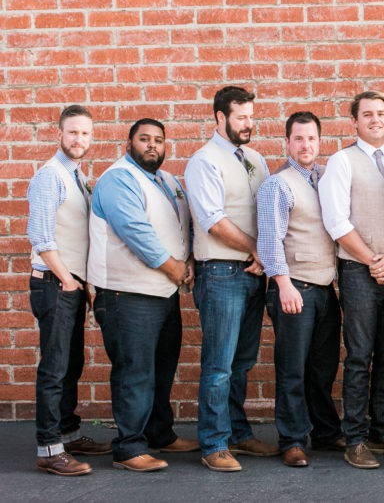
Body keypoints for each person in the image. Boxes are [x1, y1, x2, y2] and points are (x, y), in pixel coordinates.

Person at [88, 119, 199, 471]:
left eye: (159, 140)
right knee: (134, 371)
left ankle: (159, 434)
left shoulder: (167, 181)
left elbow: (184, 226)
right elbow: (137, 233)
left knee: (162, 369)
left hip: (163, 293)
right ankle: (129, 447)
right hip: (127, 294)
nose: (153, 145)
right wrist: (175, 268)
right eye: (145, 139)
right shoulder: (118, 179)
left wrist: (189, 261)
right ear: (129, 142)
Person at [185, 86, 276, 472]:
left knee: (242, 361)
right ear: (220, 118)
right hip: (220, 271)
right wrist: (259, 250)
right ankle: (214, 443)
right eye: (240, 117)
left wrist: (265, 258)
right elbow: (214, 222)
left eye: (251, 116)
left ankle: (238, 433)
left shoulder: (254, 158)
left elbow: (269, 211)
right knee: (219, 364)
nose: (248, 123)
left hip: (253, 273)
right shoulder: (204, 161)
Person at [319, 91, 384, 469]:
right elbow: (337, 222)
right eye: (367, 114)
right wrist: (374, 260)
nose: (375, 119)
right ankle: (354, 438)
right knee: (359, 357)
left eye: (381, 113)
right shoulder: (341, 161)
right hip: (359, 271)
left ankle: (382, 431)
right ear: (353, 121)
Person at [256, 111, 344, 468]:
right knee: (292, 368)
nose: (305, 145)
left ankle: (324, 432)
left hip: (325, 288)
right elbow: (270, 240)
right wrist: (283, 284)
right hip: (295, 288)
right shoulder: (278, 184)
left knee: (322, 367)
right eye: (298, 139)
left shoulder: (324, 178)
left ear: (319, 142)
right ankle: (291, 439)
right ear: (287, 142)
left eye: (311, 139)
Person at [27, 105, 111, 475]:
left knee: (71, 363)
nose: (80, 140)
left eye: (86, 134)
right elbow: (41, 237)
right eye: (73, 132)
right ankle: (49, 449)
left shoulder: (75, 175)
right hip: (54, 282)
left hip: (70, 283)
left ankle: (66, 432)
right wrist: (66, 279)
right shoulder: (50, 176)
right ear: (58, 132)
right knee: (55, 368)